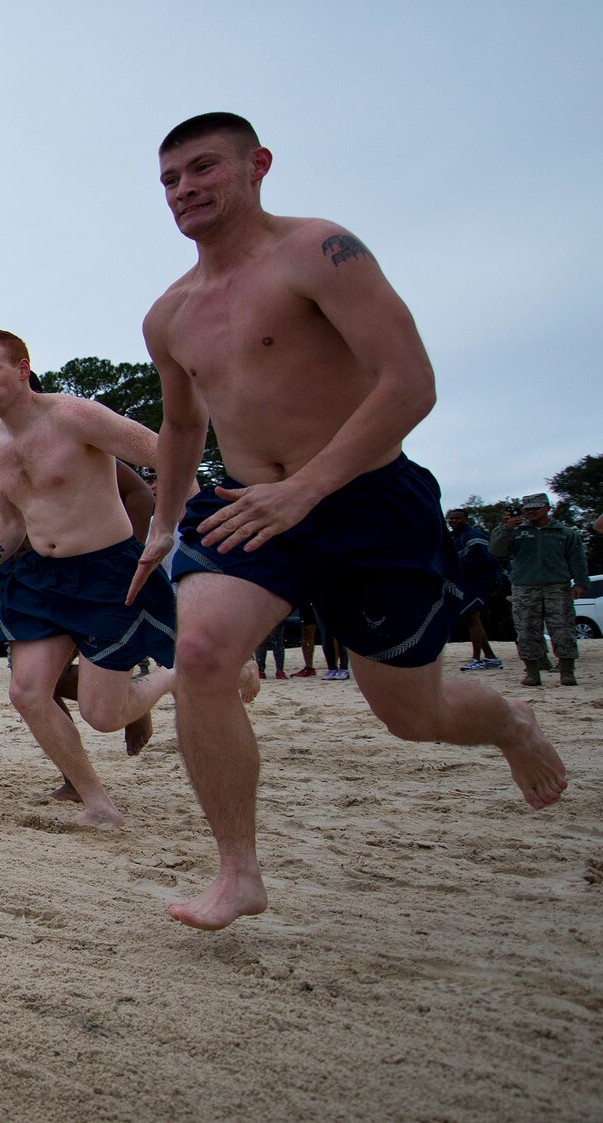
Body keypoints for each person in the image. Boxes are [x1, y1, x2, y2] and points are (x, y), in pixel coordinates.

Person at [136, 111, 565, 930]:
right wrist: (163, 525)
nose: (184, 190)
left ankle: (511, 723)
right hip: (243, 506)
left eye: (202, 169)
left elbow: (410, 382)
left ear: (256, 165)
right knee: (199, 651)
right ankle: (238, 871)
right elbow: (184, 427)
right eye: (169, 179)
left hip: (367, 503)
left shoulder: (319, 251)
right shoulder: (169, 314)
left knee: (414, 715)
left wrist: (309, 487)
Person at [0, 329, 181, 828]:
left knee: (103, 714)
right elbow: (11, 524)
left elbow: (165, 454)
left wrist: (169, 528)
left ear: (22, 368)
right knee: (26, 693)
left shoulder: (75, 416)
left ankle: (168, 678)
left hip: (104, 570)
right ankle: (97, 803)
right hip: (39, 578)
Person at [492, 493, 589, 686]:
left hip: (557, 586)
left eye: (536, 507)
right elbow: (496, 551)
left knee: (563, 629)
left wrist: (581, 583)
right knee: (526, 630)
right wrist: (506, 529)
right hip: (525, 588)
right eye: (527, 509)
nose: (532, 512)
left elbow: (577, 559)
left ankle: (567, 671)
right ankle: (533, 672)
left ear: (547, 507)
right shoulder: (515, 531)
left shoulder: (565, 532)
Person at [449, 508, 507, 671]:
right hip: (465, 583)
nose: (454, 521)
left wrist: (457, 570)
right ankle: (491, 657)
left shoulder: (474, 536)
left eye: (457, 518)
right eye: (451, 518)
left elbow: (486, 561)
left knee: (473, 619)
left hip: (476, 583)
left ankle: (476, 659)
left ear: (466, 519)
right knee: (472, 620)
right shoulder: (455, 537)